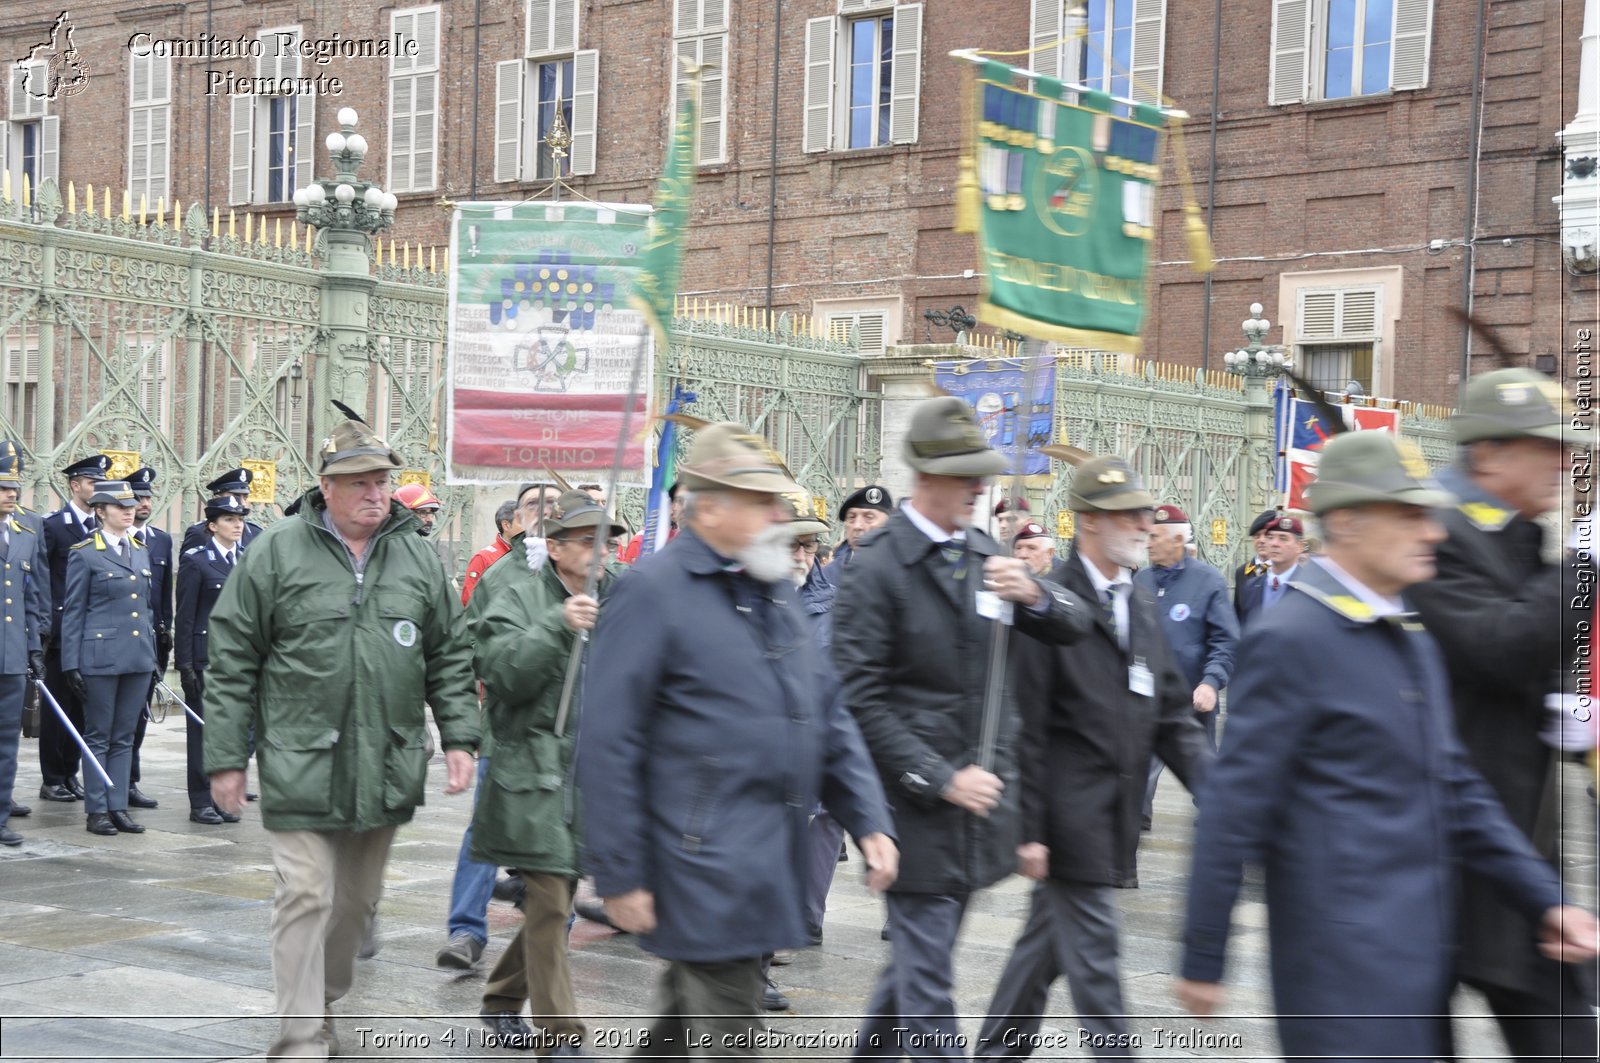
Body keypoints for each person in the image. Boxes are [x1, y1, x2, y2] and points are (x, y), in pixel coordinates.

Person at [1176, 431, 1600, 1059]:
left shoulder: (1410, 637)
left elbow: (1458, 789)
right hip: (1339, 980)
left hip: (1416, 965)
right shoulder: (1293, 638)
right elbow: (1233, 809)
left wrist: (1544, 900)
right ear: (1346, 522)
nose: (1431, 532)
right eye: (1409, 515)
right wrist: (1203, 953)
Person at [579, 422, 898, 1053]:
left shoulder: (771, 586)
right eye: (762, 501)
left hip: (763, 855)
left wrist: (869, 819)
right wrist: (619, 874)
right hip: (697, 862)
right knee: (734, 1036)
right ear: (710, 506)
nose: (779, 514)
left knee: (677, 1029)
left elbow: (824, 712)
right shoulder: (651, 591)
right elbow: (607, 744)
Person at [203, 411, 479, 1059]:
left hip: (385, 762)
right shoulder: (277, 549)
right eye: (359, 482)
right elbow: (233, 653)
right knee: (305, 891)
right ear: (325, 486)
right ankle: (299, 1036)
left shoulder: (415, 553)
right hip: (300, 759)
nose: (375, 492)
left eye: (383, 480)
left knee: (355, 908)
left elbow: (449, 652)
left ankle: (321, 997)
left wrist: (461, 736)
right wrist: (226, 757)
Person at [833, 396, 1097, 1062]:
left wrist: (1035, 592)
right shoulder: (878, 566)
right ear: (924, 477)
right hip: (912, 807)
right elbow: (857, 699)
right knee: (928, 992)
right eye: (965, 472)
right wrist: (941, 777)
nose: (981, 483)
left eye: (983, 469)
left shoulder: (986, 553)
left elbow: (1073, 625)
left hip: (976, 812)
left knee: (915, 970)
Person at [976, 459, 1213, 1060]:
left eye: (1145, 512)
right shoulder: (1049, 604)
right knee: (1099, 967)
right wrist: (1028, 830)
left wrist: (1224, 793)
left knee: (1042, 952)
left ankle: (995, 1053)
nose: (1144, 523)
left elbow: (1170, 716)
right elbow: (1024, 726)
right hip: (1067, 820)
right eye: (1128, 514)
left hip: (1115, 817)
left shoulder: (1138, 599)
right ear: (1087, 522)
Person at [1407, 367, 1599, 1059]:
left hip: (1523, 845)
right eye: (1544, 445)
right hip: (1449, 851)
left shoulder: (1513, 533)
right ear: (1486, 452)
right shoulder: (1434, 535)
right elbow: (1498, 645)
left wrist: (1567, 702)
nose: (1564, 460)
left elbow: (1532, 647)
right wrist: (1584, 561)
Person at [469, 490, 624, 1052]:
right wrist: (558, 625)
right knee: (555, 901)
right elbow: (500, 672)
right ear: (555, 548)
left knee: (546, 903)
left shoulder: (616, 590)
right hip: (529, 772)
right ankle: (561, 1035)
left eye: (609, 539)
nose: (603, 551)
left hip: (590, 776)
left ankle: (502, 998)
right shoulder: (514, 591)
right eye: (589, 541)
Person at [60, 479, 158, 836]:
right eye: (119, 506)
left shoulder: (140, 549)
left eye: (130, 505)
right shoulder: (85, 552)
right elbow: (73, 612)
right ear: (100, 511)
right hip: (99, 657)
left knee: (125, 736)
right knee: (98, 735)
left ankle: (117, 805)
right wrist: (70, 663)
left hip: (137, 658)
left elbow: (145, 609)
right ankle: (97, 809)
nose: (128, 511)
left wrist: (153, 656)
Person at [1134, 503, 1238, 766]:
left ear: (1178, 540)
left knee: (1203, 776)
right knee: (1138, 779)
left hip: (1193, 701)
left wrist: (1211, 682)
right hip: (1145, 700)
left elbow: (1225, 641)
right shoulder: (1140, 581)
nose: (1148, 544)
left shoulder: (1208, 581)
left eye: (1155, 537)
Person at [39, 452, 112, 803]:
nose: (98, 488)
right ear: (76, 485)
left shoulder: (103, 527)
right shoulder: (54, 526)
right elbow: (42, 577)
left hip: (92, 631)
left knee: (83, 707)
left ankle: (70, 772)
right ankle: (52, 777)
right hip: (59, 632)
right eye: (93, 482)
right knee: (57, 708)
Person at [174, 495, 250, 826]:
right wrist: (185, 664)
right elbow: (186, 616)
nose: (237, 525)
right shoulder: (197, 561)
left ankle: (221, 798)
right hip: (206, 660)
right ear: (212, 525)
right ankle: (200, 800)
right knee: (202, 733)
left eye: (240, 519)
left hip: (238, 661)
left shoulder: (246, 559)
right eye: (230, 520)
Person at [0, 443, 46, 845]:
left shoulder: (25, 535)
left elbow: (31, 598)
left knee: (6, 740)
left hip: (12, 656)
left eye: (15, 487)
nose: (12, 494)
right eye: (3, 487)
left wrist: (33, 646)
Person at [122, 467, 170, 811]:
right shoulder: (111, 539)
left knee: (139, 716)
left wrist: (165, 633)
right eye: (139, 497)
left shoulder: (161, 540)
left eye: (149, 497)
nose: (144, 503)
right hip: (119, 638)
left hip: (152, 640)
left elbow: (164, 594)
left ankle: (131, 780)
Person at [1232, 514, 1302, 628]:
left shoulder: (1310, 584)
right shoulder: (1249, 584)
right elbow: (1239, 618)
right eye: (1271, 537)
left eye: (1283, 538)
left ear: (1299, 546)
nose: (1274, 543)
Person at [179, 468, 265, 553]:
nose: (242, 503)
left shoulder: (256, 533)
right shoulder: (199, 533)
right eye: (236, 496)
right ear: (218, 498)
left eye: (245, 497)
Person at [461, 499, 520, 606]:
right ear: (506, 525)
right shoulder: (483, 558)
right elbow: (468, 599)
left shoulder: (530, 556)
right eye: (521, 521)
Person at [825, 484, 892, 574]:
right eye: (852, 517)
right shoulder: (827, 575)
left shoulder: (907, 571)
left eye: (868, 517)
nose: (857, 526)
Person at [1229, 509, 1275, 617]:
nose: (1261, 540)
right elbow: (1237, 613)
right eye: (1257, 536)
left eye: (1267, 536)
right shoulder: (1242, 572)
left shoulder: (1282, 570)